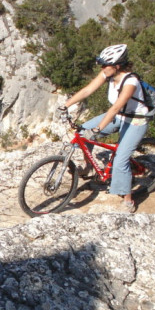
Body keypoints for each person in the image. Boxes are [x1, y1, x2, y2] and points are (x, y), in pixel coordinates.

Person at [57, 44, 150, 213]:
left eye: (105, 65)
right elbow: (87, 90)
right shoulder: (107, 74)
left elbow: (115, 108)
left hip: (135, 121)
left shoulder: (131, 82)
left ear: (117, 66)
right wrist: (65, 105)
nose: (102, 68)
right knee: (83, 130)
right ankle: (88, 166)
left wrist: (97, 130)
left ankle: (128, 201)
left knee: (120, 160)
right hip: (119, 116)